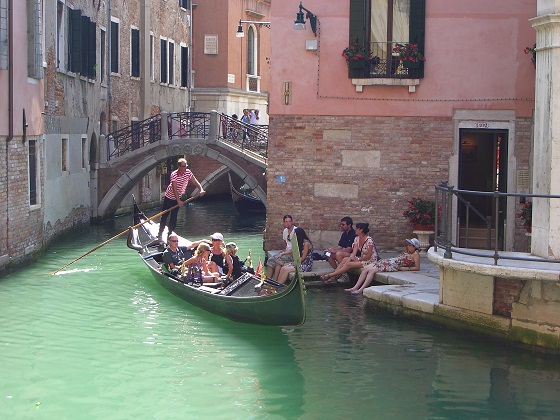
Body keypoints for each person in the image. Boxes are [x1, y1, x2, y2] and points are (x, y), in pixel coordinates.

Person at [345, 238, 421, 294]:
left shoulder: (415, 255)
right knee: (366, 269)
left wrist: (406, 268)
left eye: (410, 245)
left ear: (414, 247)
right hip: (390, 261)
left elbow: (417, 267)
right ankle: (355, 287)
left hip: (394, 265)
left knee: (372, 270)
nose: (408, 246)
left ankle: (361, 289)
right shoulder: (407, 252)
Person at [158, 157, 206, 242]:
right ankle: (160, 234)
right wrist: (178, 200)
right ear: (179, 166)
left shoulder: (188, 172)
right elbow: (174, 188)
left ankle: (169, 234)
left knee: (174, 217)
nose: (185, 168)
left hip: (178, 197)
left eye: (186, 166)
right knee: (164, 216)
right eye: (183, 166)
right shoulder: (174, 174)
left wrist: (201, 189)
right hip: (169, 197)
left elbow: (195, 182)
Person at [266, 214, 297, 279]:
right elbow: (285, 242)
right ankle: (268, 279)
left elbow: (295, 248)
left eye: (289, 221)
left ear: (292, 222)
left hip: (293, 254)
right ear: (284, 223)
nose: (288, 223)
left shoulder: (296, 231)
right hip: (286, 252)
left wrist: (284, 253)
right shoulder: (285, 231)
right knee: (270, 260)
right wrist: (284, 250)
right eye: (286, 222)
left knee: (279, 260)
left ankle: (275, 280)